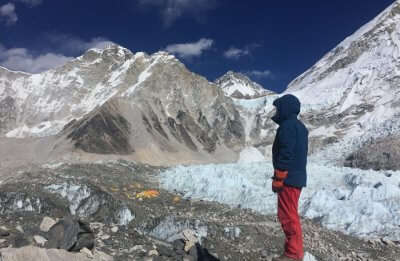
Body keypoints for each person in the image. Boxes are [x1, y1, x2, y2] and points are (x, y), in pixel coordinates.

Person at [271, 94, 308, 261]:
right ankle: (294, 251)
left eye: (279, 108)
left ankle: (293, 254)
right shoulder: (300, 127)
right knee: (291, 214)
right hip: (296, 177)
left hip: (288, 178)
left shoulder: (287, 126)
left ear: (285, 109)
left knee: (287, 215)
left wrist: (279, 177)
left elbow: (286, 152)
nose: (277, 111)